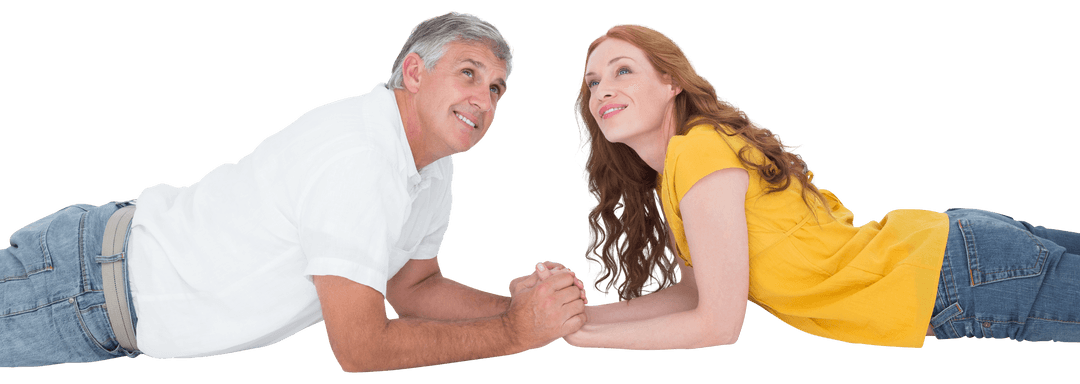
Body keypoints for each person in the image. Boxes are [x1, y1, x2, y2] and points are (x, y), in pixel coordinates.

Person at [0, 11, 586, 372]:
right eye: (468, 73)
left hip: (110, 304)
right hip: (81, 286)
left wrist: (522, 310)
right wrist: (512, 333)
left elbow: (412, 286)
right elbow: (361, 348)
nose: (484, 100)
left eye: (497, 89)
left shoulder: (430, 170)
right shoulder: (361, 158)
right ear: (413, 72)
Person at [553, 23, 1080, 350]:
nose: (604, 89)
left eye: (623, 70)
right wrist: (581, 316)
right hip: (957, 257)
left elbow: (717, 324)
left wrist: (586, 337)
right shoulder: (684, 170)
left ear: (671, 84)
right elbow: (698, 292)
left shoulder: (699, 151)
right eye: (593, 81)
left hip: (954, 276)